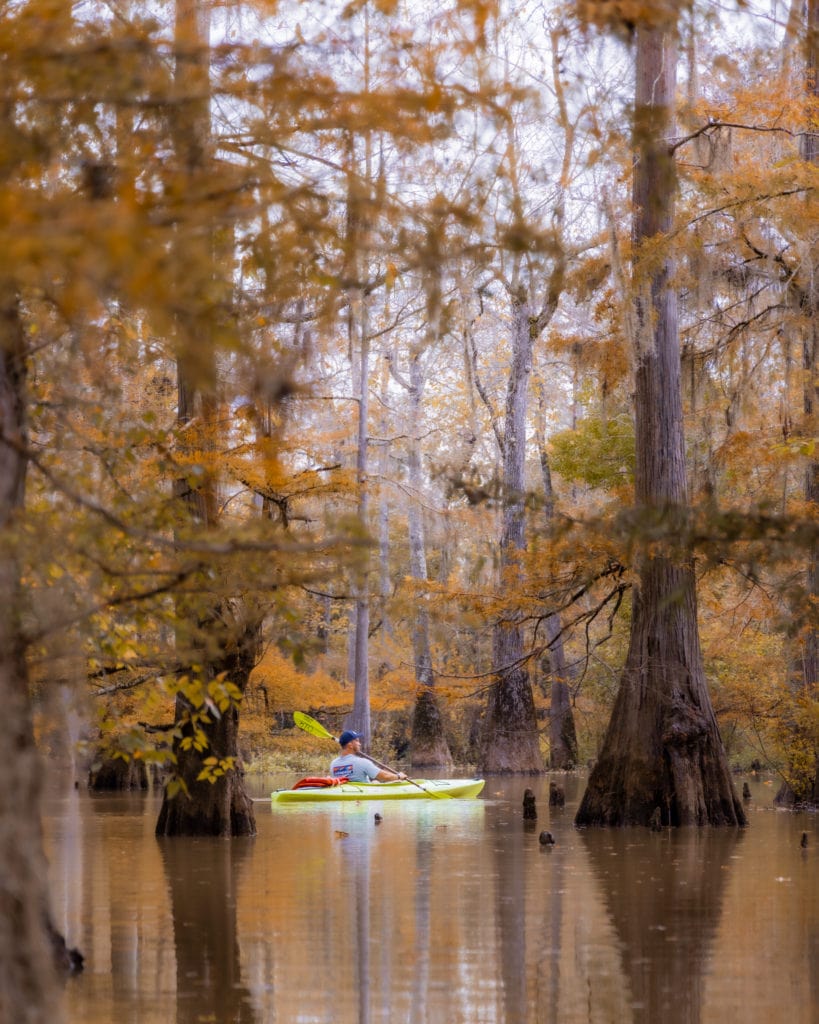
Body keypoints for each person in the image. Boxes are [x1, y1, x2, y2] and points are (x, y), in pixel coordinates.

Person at [330, 731, 407, 783]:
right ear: (350, 745)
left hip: (345, 794)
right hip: (362, 798)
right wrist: (398, 776)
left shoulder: (333, 764)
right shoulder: (362, 762)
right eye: (357, 741)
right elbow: (384, 777)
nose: (359, 744)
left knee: (375, 782)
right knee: (376, 782)